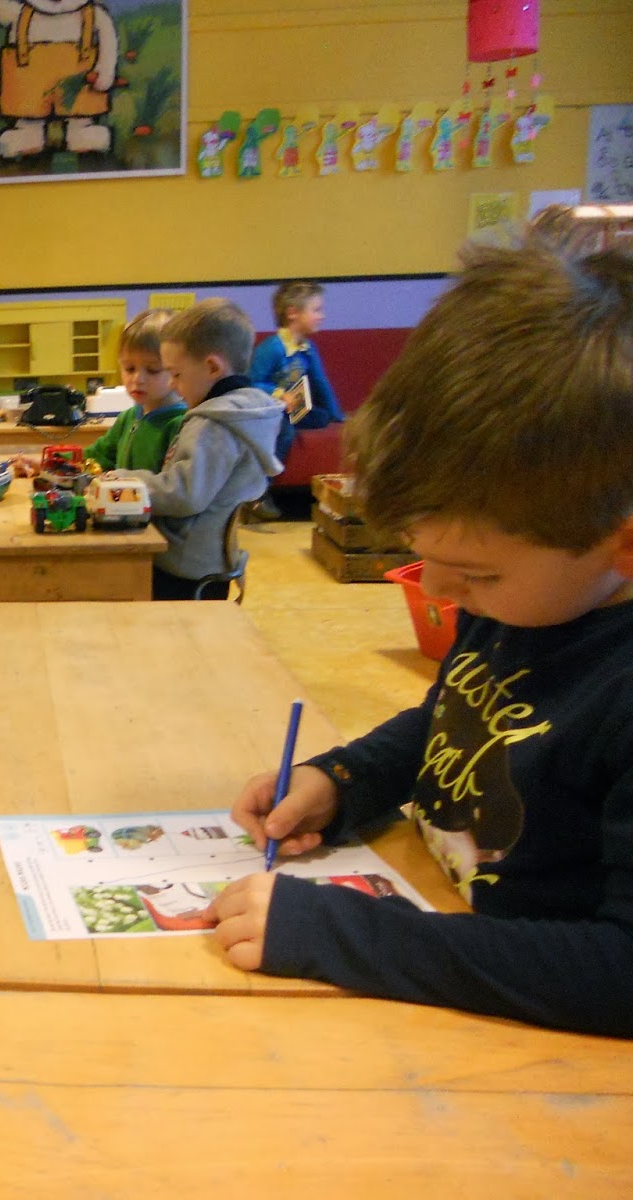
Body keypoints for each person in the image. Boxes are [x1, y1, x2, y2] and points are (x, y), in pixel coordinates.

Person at [206, 225, 633, 1038]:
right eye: (420, 551)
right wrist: (346, 779)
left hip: (533, 1047)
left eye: (477, 574)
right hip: (446, 938)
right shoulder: (536, 599)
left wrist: (344, 934)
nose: (435, 591)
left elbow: (620, 972)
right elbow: (461, 719)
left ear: (625, 544)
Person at [107, 298, 283, 600]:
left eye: (176, 374)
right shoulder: (245, 412)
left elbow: (184, 494)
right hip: (210, 558)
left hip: (184, 564)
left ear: (212, 367)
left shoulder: (213, 424)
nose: (174, 385)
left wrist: (126, 481)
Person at [13, 308, 186, 479]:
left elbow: (172, 487)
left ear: (177, 369)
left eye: (153, 370)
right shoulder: (128, 417)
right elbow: (96, 458)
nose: (137, 379)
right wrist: (47, 463)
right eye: (129, 368)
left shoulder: (181, 425)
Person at [248, 281, 346, 518]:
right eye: (316, 310)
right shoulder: (273, 348)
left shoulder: (306, 348)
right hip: (266, 409)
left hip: (289, 409)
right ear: (293, 313)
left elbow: (320, 382)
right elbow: (250, 382)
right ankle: (258, 491)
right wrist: (278, 394)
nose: (322, 316)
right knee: (285, 432)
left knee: (320, 417)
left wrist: (338, 417)